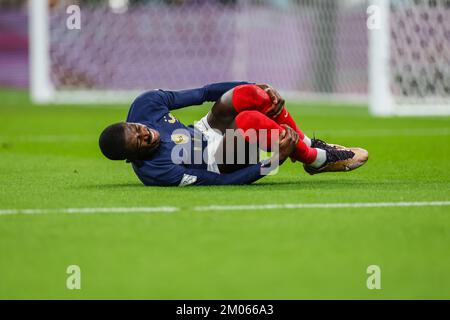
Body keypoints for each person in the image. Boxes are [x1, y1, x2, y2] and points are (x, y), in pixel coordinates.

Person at [98, 82, 368, 186]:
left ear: (130, 121)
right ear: (131, 159)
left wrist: (257, 87)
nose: (146, 134)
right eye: (140, 143)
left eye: (137, 129)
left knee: (248, 96)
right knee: (249, 121)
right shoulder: (156, 172)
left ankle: (311, 152)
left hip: (205, 128)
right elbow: (219, 181)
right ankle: (316, 156)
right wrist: (275, 161)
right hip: (218, 160)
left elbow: (204, 94)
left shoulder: (144, 105)